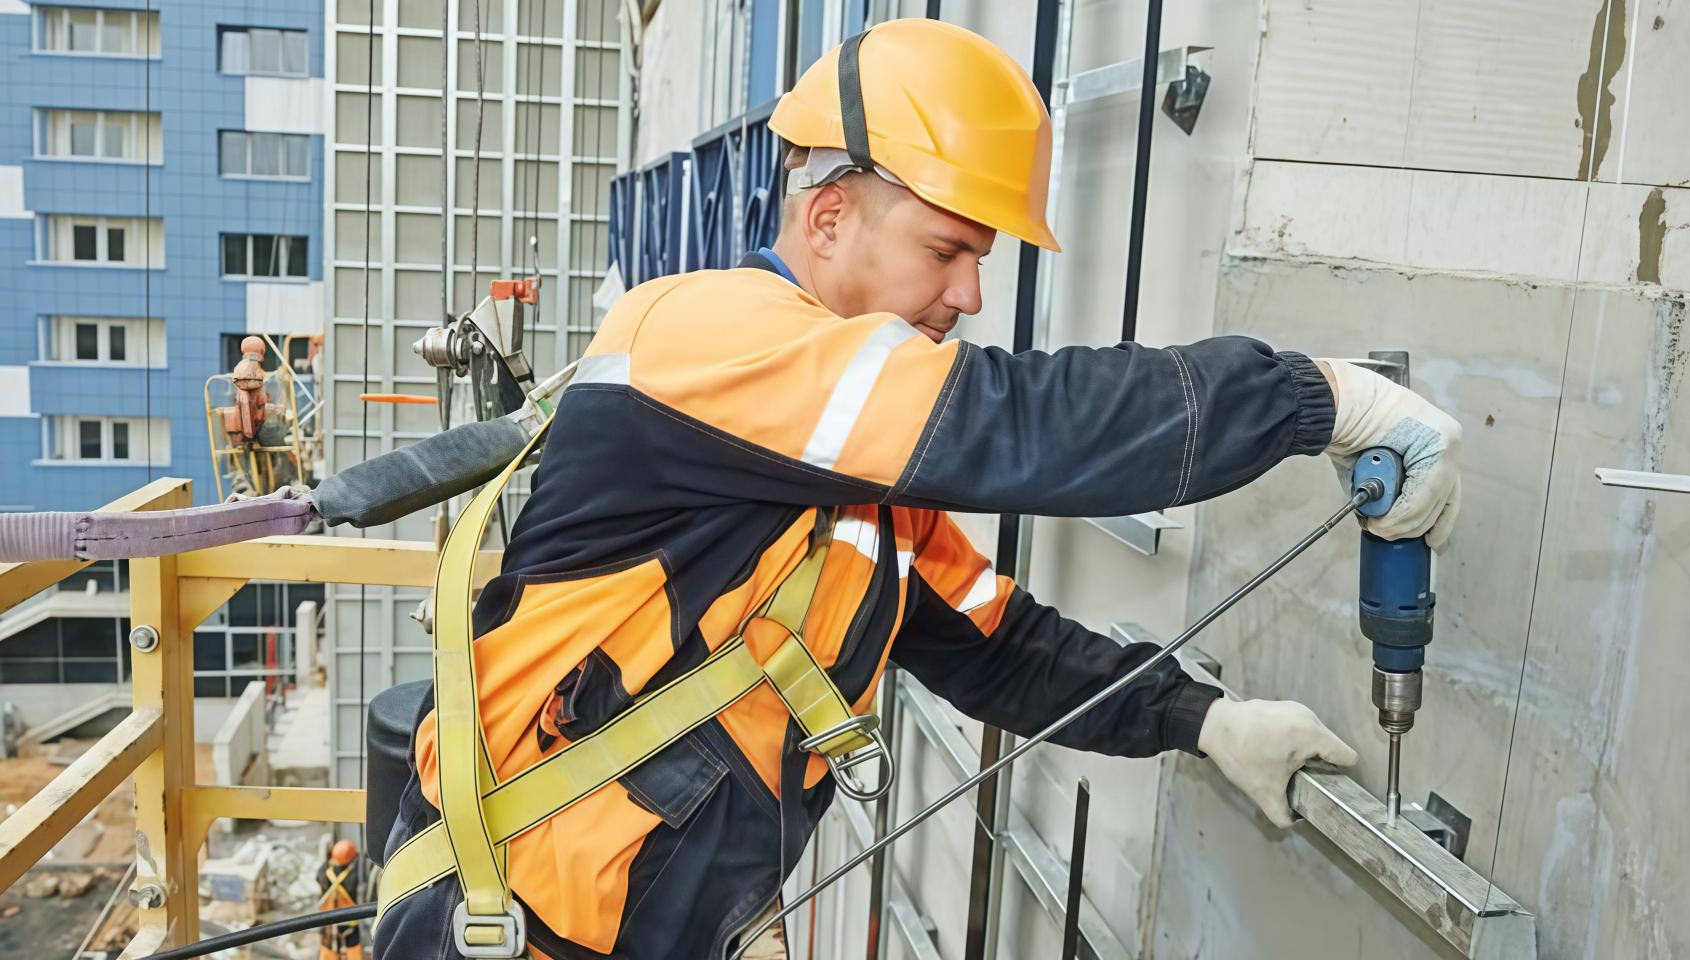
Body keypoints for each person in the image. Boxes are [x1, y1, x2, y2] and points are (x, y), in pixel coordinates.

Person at [374, 18, 1461, 960]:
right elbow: (1017, 422)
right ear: (830, 214)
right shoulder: (707, 336)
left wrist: (1202, 719)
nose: (970, 292)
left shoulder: (840, 469)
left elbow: (993, 646)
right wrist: (1317, 402)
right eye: (945, 250)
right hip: (496, 926)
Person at [318, 839, 364, 960]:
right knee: (354, 953)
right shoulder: (353, 876)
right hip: (350, 922)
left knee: (328, 953)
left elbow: (318, 876)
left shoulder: (325, 873)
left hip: (329, 921)